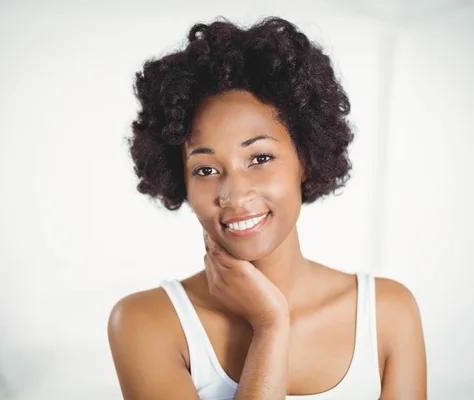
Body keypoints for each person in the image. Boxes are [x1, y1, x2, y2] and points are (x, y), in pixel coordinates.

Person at [108, 16, 426, 400]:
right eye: (206, 169)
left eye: (259, 158)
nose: (235, 195)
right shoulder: (145, 323)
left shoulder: (387, 315)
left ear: (305, 159)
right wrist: (271, 326)